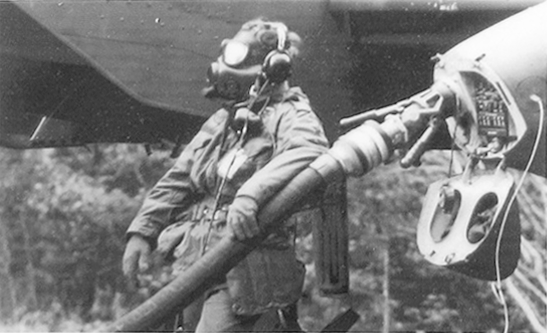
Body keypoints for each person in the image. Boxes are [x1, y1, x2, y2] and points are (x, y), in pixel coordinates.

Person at [122, 18, 329, 332]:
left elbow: (310, 150)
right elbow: (180, 177)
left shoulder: (292, 114)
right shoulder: (225, 120)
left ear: (274, 68)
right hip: (196, 266)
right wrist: (142, 231)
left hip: (245, 270)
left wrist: (251, 193)